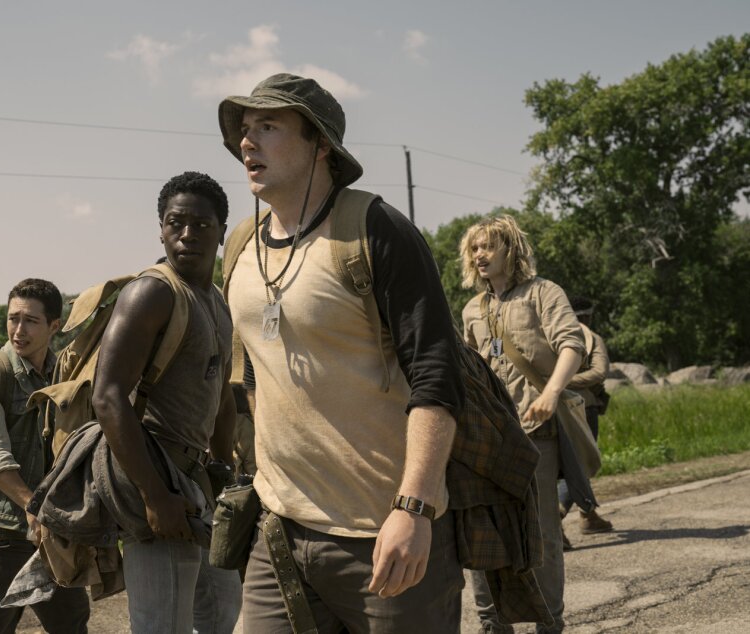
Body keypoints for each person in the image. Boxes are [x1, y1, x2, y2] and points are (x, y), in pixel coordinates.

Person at [219, 73, 466, 631]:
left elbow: (437, 375)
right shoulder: (240, 245)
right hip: (279, 528)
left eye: (268, 126)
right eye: (245, 129)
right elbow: (253, 372)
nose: (246, 142)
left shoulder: (375, 229)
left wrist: (414, 509)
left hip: (384, 533)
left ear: (321, 145)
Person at [92, 171, 243, 634]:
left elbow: (221, 397)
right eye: (176, 223)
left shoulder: (217, 301)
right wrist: (155, 495)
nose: (187, 234)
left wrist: (225, 473)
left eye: (201, 225)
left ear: (221, 232)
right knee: (162, 625)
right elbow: (107, 395)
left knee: (221, 612)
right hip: (155, 476)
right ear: (161, 229)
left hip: (199, 484)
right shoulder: (153, 292)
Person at [460, 215, 586, 634]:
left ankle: (550, 623)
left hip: (536, 432)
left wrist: (551, 393)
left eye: (488, 246)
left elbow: (572, 345)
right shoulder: (472, 309)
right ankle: (493, 624)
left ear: (510, 249)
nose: (480, 255)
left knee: (543, 531)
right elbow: (468, 371)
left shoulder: (543, 293)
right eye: (475, 248)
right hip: (487, 438)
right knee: (482, 532)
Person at [0, 278, 90, 633]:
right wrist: (33, 507)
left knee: (71, 625)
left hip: (55, 531)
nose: (18, 330)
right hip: (2, 531)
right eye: (13, 318)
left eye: (30, 321)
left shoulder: (65, 376)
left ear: (54, 326)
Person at [558, 296, 614, 548]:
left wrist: (554, 384)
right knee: (581, 462)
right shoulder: (592, 338)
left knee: (568, 461)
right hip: (583, 407)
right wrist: (564, 381)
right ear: (587, 315)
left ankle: (588, 515)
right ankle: (556, 515)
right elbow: (600, 372)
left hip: (552, 404)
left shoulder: (549, 332)